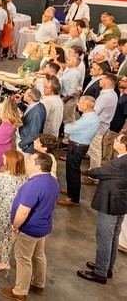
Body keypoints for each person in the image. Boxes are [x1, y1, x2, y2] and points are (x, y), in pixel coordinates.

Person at [1, 152, 59, 301]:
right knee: (39, 255)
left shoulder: (33, 185)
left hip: (28, 229)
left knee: (23, 259)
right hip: (43, 226)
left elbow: (23, 211)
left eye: (30, 160)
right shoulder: (53, 181)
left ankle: (20, 291)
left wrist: (15, 226)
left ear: (38, 166)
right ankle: (39, 284)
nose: (26, 162)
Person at [77, 132, 127, 283]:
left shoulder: (120, 162)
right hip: (121, 202)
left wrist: (88, 171)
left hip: (110, 202)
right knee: (113, 236)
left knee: (104, 237)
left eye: (117, 140)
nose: (114, 141)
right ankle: (107, 267)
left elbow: (98, 172)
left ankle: (100, 273)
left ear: (124, 146)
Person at [0, 150, 27, 271]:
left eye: (5, 158)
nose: (2, 158)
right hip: (16, 209)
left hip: (2, 211)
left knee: (6, 236)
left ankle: (5, 262)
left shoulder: (3, 179)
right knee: (4, 232)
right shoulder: (24, 177)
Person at [59, 95, 99, 207]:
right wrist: (72, 126)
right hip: (77, 145)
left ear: (86, 106)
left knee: (73, 172)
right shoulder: (88, 116)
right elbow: (72, 128)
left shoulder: (88, 119)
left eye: (79, 102)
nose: (77, 104)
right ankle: (71, 191)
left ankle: (73, 198)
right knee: (71, 170)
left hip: (77, 147)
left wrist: (70, 126)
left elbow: (67, 128)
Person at [16, 88, 46, 153]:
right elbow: (27, 111)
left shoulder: (36, 113)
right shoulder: (37, 105)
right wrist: (19, 102)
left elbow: (33, 134)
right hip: (23, 137)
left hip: (25, 145)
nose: (23, 94)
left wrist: (20, 145)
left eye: (25, 93)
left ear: (29, 98)